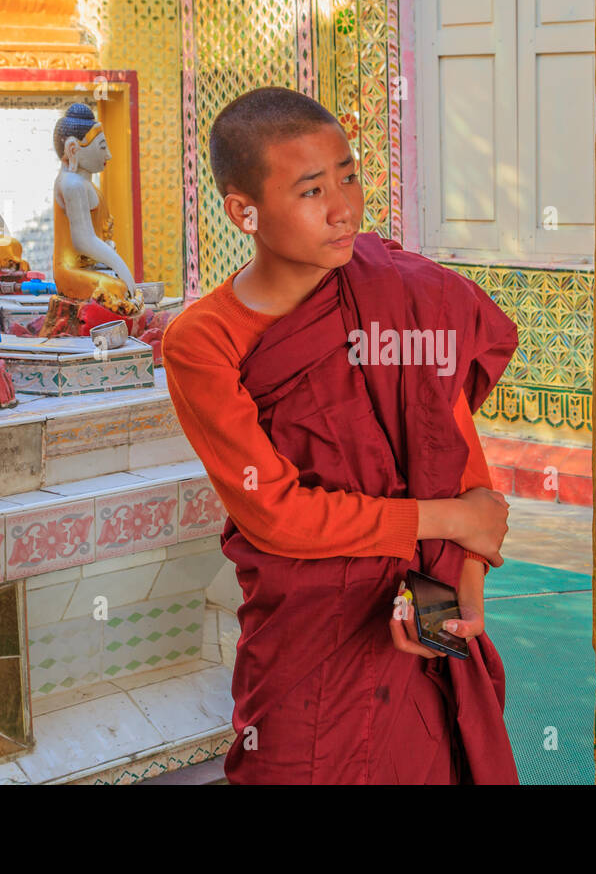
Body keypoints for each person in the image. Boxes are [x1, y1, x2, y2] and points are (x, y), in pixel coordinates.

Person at [163, 86, 519, 784]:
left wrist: (460, 590)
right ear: (246, 211)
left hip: (413, 622)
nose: (344, 207)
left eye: (349, 175)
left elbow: (459, 464)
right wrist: (450, 520)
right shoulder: (204, 341)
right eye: (311, 189)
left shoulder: (400, 295)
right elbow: (277, 514)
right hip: (308, 639)